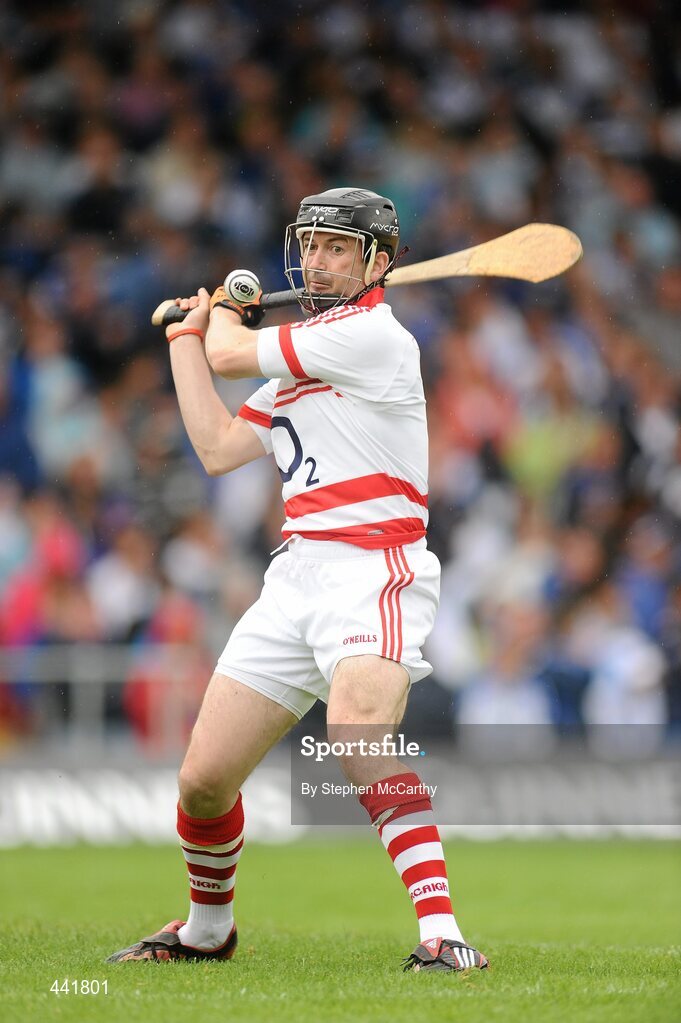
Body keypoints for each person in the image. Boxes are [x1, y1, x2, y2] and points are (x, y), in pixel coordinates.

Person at [107, 187, 488, 973]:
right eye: (310, 243)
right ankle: (207, 930)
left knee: (355, 733)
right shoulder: (303, 356)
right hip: (297, 578)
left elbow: (228, 355)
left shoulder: (370, 336)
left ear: (376, 262)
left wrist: (223, 310)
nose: (315, 259)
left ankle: (442, 932)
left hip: (374, 568)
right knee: (204, 780)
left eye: (337, 248)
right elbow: (215, 446)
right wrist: (187, 333)